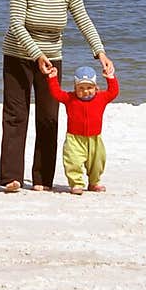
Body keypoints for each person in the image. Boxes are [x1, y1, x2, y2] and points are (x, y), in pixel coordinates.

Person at [0, 0, 114, 193]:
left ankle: (42, 179)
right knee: (16, 116)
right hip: (18, 56)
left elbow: (83, 20)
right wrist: (37, 55)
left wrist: (101, 53)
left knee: (49, 117)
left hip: (51, 61)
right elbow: (16, 25)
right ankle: (11, 177)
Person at [47, 63, 119, 193]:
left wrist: (110, 77)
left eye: (89, 87)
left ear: (95, 87)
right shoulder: (70, 98)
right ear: (75, 87)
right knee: (73, 161)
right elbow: (56, 93)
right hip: (74, 138)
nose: (85, 91)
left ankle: (94, 182)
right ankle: (76, 184)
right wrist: (52, 78)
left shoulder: (101, 98)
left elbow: (113, 92)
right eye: (81, 88)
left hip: (95, 138)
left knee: (97, 163)